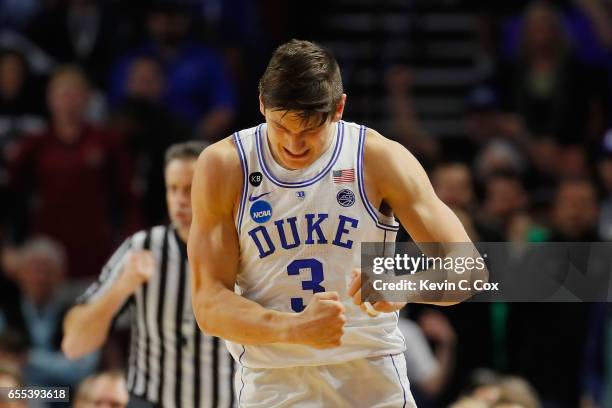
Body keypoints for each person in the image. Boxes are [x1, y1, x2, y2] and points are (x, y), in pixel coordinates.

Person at [188, 39, 478, 407]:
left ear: (339, 108)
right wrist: (296, 329)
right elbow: (209, 304)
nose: (294, 143)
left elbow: (469, 270)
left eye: (309, 129)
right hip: (273, 383)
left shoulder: (378, 158)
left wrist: (404, 287)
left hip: (372, 377)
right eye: (281, 126)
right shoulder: (225, 165)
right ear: (261, 104)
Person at [62, 142, 235, 408]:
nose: (179, 200)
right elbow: (74, 344)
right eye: (173, 189)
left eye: (190, 189)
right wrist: (122, 286)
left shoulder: (244, 249)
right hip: (152, 401)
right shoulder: (142, 247)